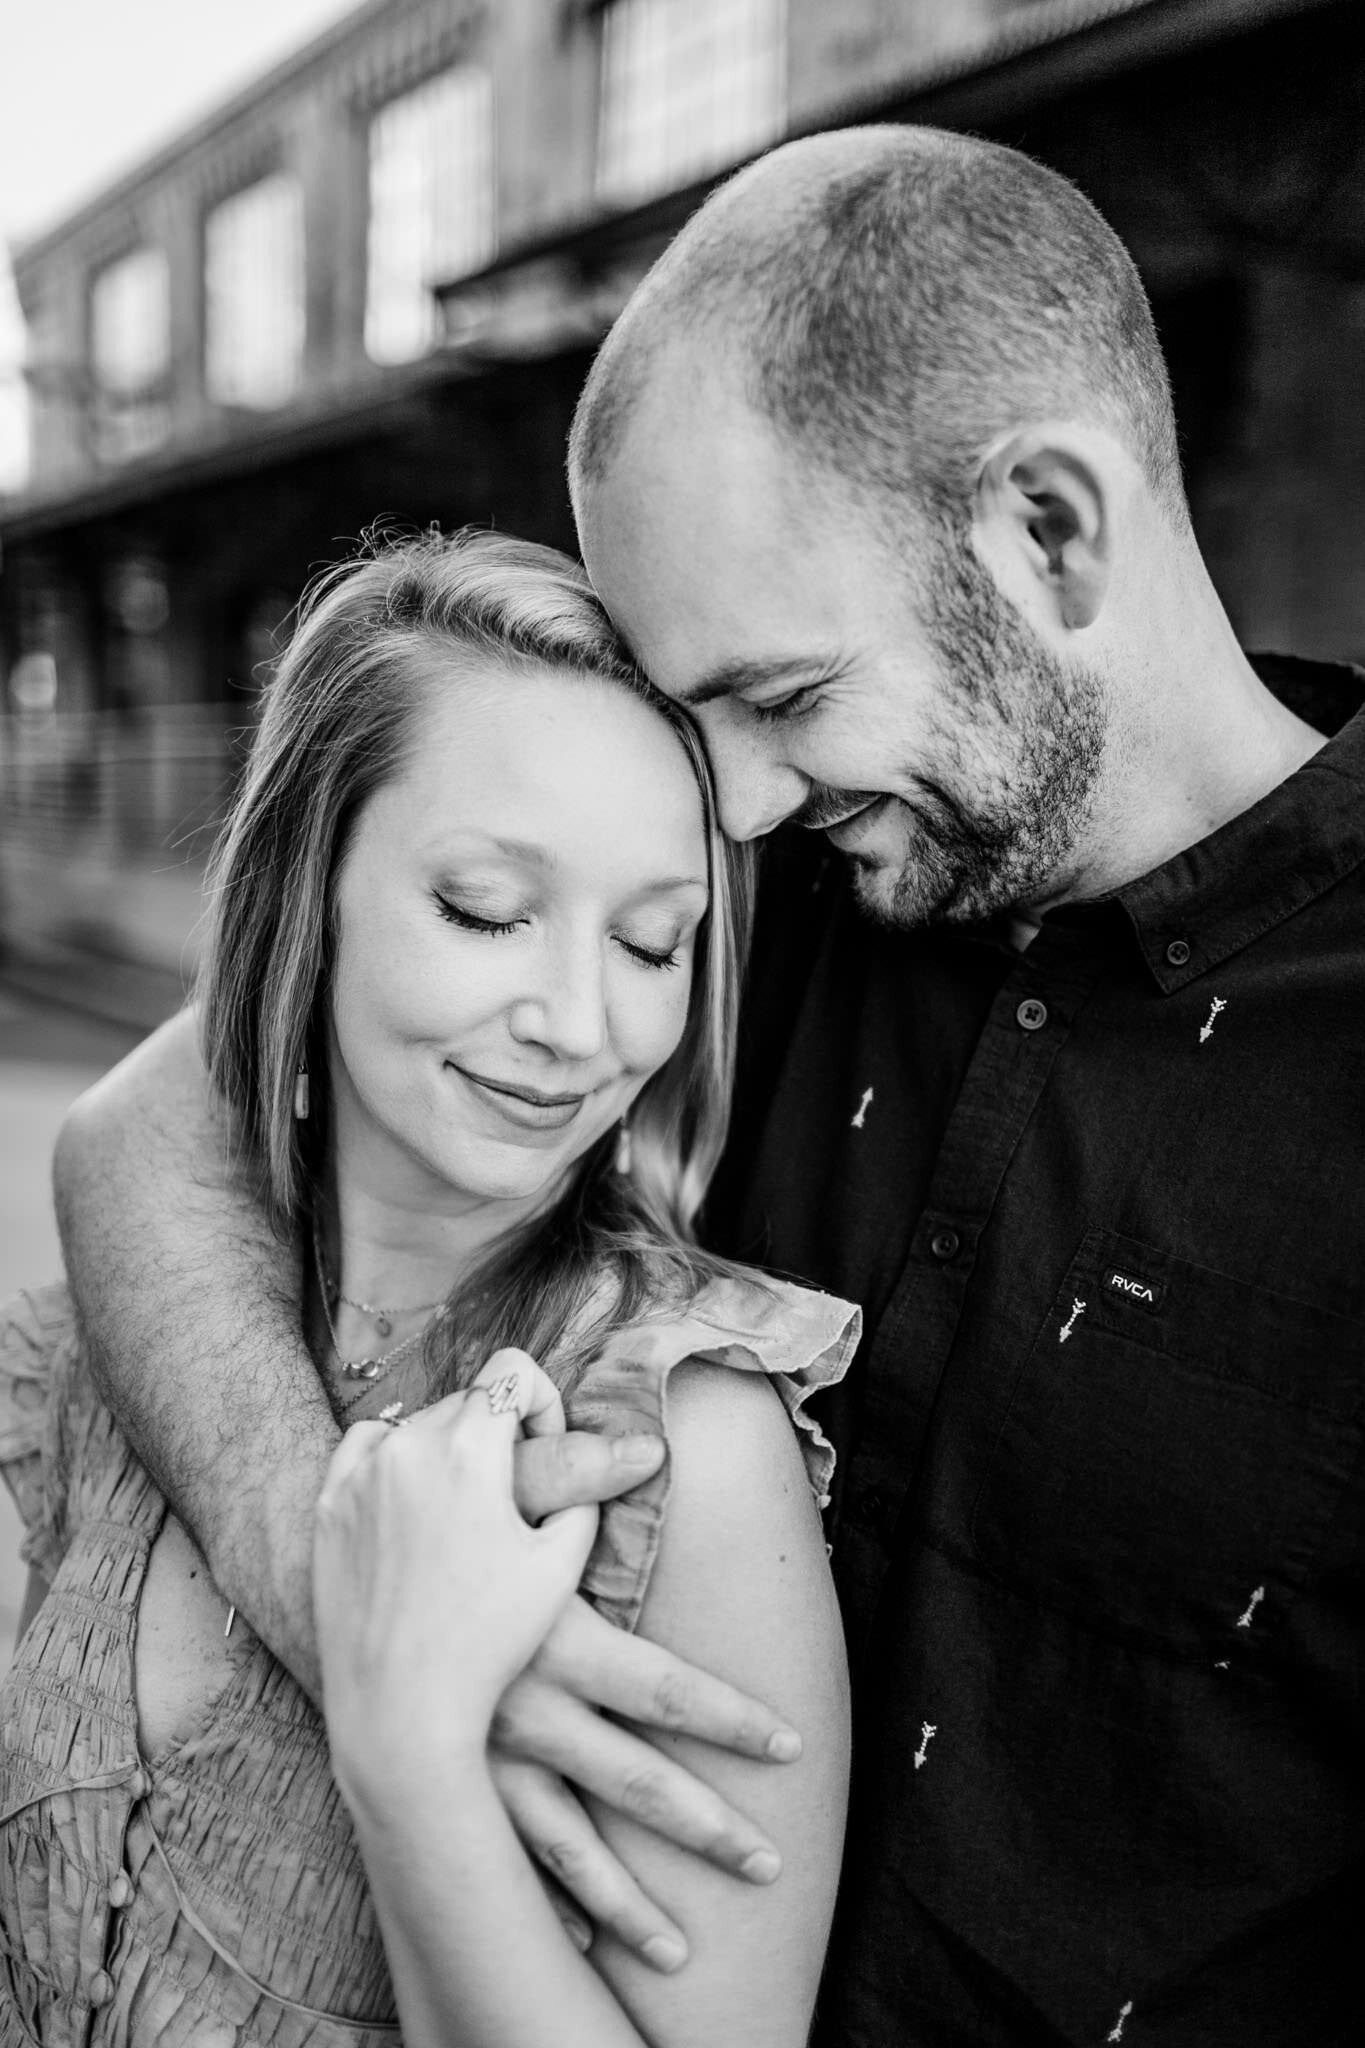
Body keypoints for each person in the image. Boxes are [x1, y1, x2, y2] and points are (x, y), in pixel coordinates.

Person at [46, 123, 1365, 2046]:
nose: (736, 803)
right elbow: (155, 1125)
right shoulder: (808, 860)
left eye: (779, 694)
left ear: (1052, 531)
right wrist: (317, 1564)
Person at [0, 530, 856, 2045]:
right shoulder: (115, 1331)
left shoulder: (683, 1444)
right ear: (303, 893)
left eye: (655, 941)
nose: (580, 1024)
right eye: (483, 909)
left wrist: (407, 1755)